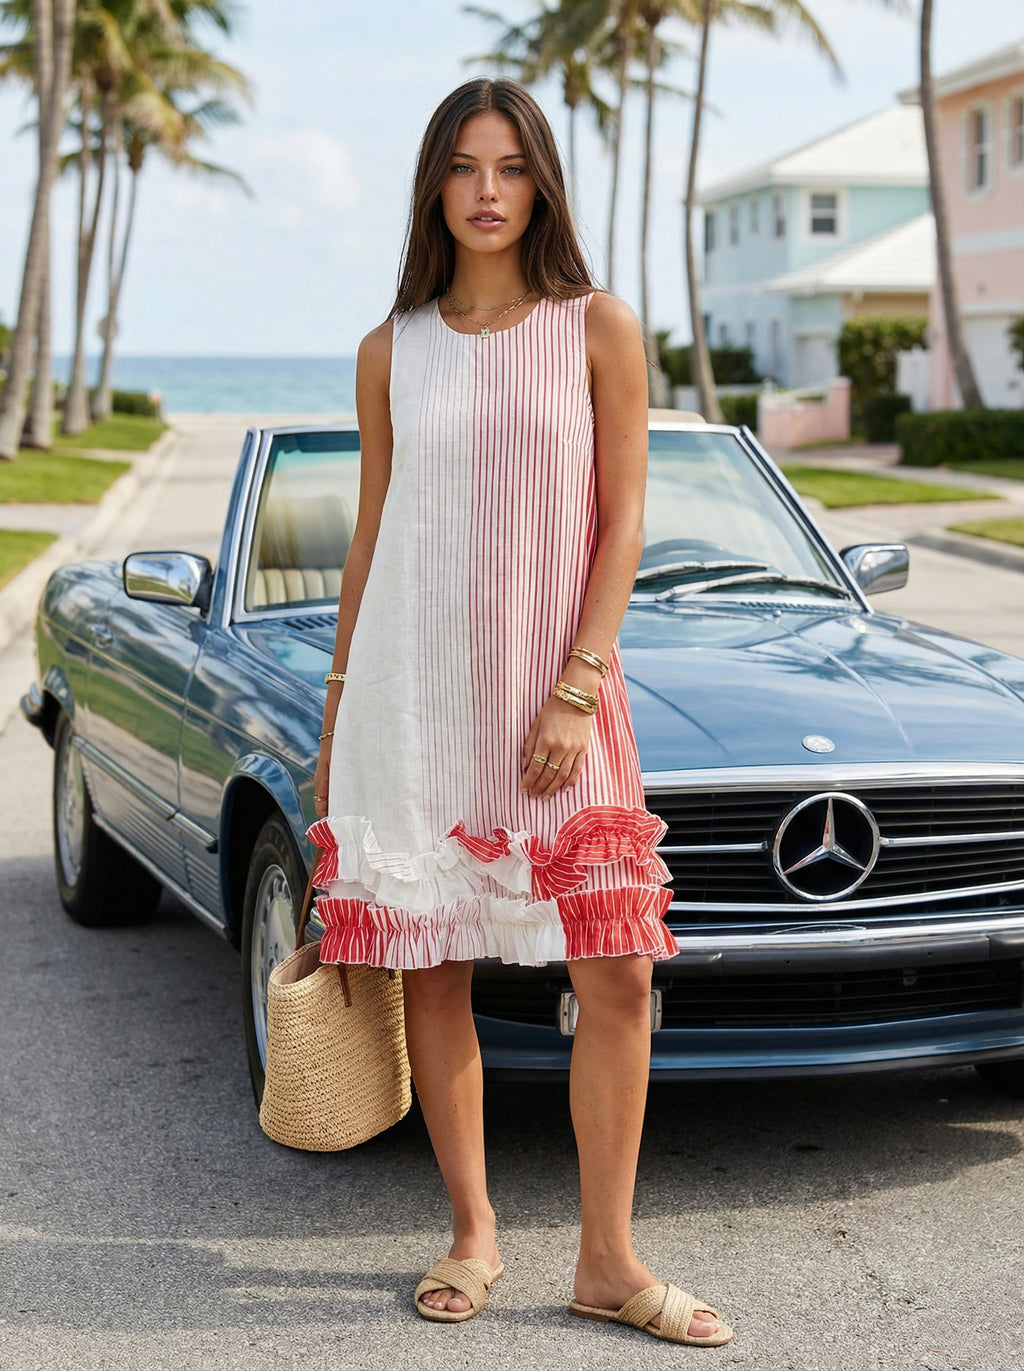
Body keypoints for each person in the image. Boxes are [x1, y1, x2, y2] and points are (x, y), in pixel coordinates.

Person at [308, 77, 733, 1349]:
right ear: (434, 186)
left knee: (616, 973)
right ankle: (473, 1233)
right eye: (462, 167)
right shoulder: (393, 349)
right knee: (436, 974)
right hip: (415, 699)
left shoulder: (596, 325)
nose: (487, 192)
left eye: (510, 167)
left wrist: (578, 683)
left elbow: (625, 521)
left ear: (540, 182)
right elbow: (372, 533)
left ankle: (607, 1258)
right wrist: (339, 724)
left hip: (557, 700)